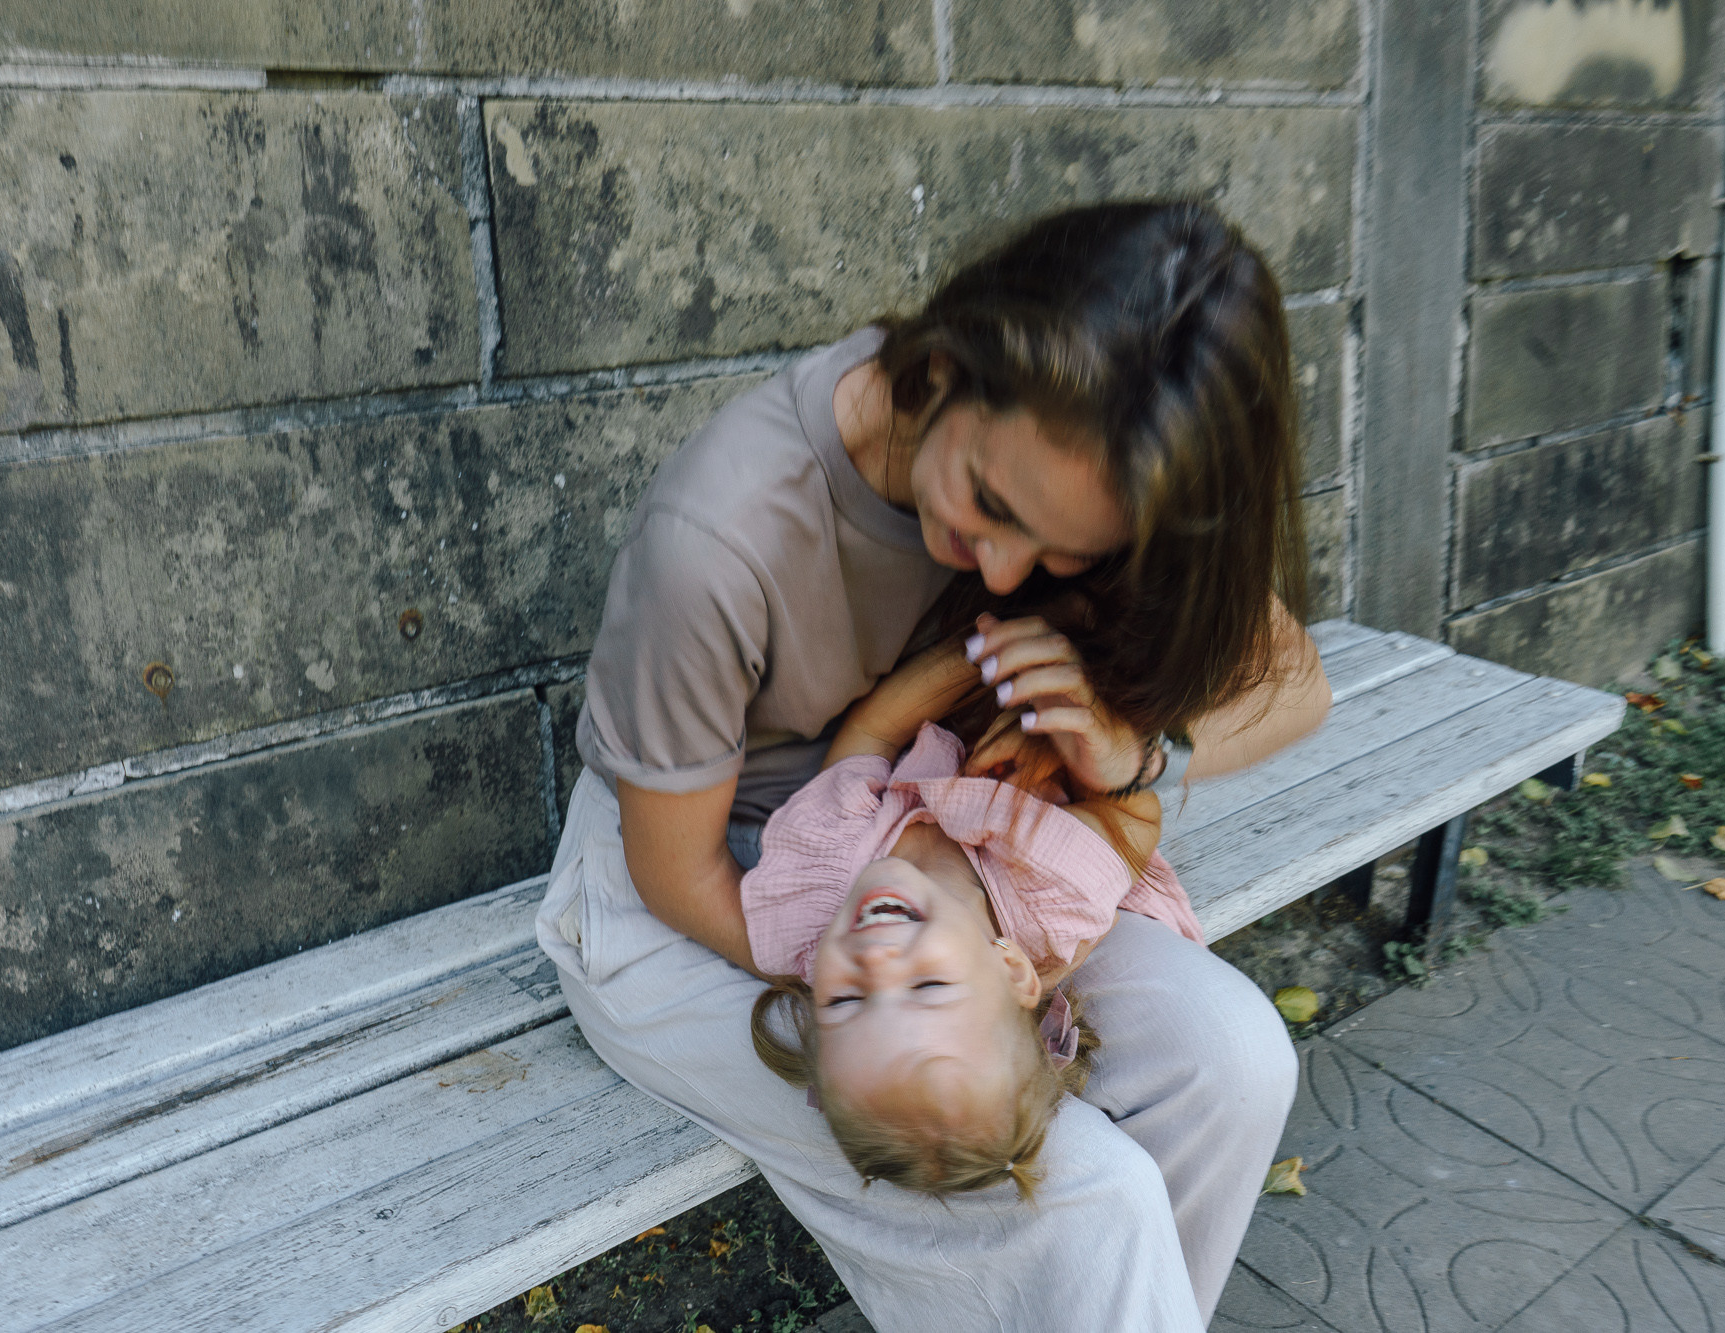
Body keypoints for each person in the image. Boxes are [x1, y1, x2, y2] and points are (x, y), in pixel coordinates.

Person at [537, 200, 1333, 1330]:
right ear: (945, 368)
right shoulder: (715, 541)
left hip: (943, 857)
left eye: (1065, 552)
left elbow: (1295, 680)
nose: (1005, 573)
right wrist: (899, 974)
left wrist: (1136, 747)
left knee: (1236, 1061)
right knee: (1086, 1197)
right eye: (989, 506)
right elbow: (675, 873)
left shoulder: (1106, 450)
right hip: (687, 896)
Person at [743, 627, 1189, 1204]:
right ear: (1012, 970)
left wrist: (976, 656)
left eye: (845, 1000)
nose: (875, 959)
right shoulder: (1053, 894)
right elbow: (1136, 818)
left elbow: (871, 733)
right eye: (927, 983)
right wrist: (1070, 737)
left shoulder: (819, 873)